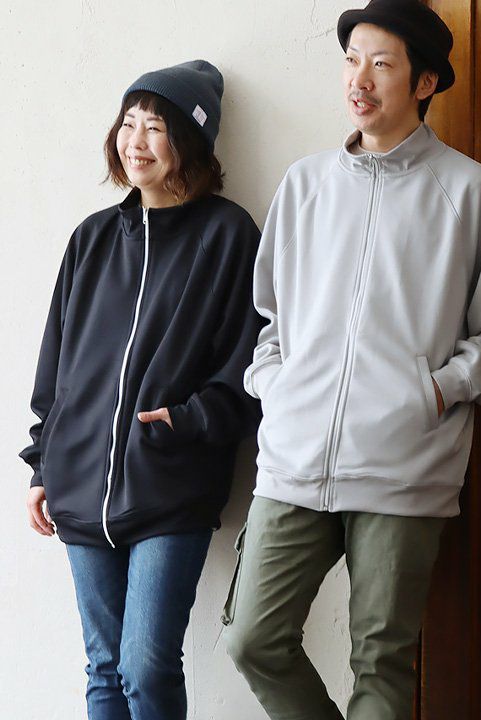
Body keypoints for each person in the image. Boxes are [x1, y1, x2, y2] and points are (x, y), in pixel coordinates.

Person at [221, 1, 481, 718]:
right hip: (295, 460)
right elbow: (270, 321)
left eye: (381, 64)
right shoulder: (305, 184)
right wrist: (278, 385)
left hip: (403, 468)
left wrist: (433, 392)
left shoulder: (466, 190)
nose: (359, 79)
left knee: (381, 664)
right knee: (251, 640)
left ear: (424, 83)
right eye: (351, 60)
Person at [20, 60, 263, 719]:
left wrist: (188, 420)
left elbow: (250, 363)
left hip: (170, 484)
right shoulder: (93, 238)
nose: (135, 141)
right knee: (103, 671)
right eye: (128, 124)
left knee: (145, 668)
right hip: (78, 485)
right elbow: (57, 364)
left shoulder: (228, 235)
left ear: (190, 141)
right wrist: (44, 463)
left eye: (155, 127)